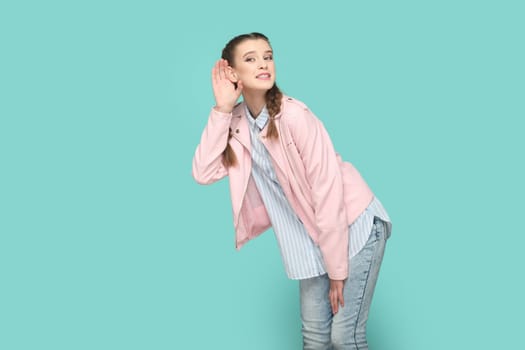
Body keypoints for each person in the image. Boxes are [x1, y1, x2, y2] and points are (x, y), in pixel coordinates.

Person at [192, 32, 392, 350]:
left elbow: (327, 193)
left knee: (344, 338)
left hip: (353, 227)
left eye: (268, 56)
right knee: (314, 340)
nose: (263, 64)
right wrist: (221, 108)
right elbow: (204, 172)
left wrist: (337, 269)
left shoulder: (294, 117)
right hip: (310, 240)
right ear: (231, 73)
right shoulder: (237, 122)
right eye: (250, 58)